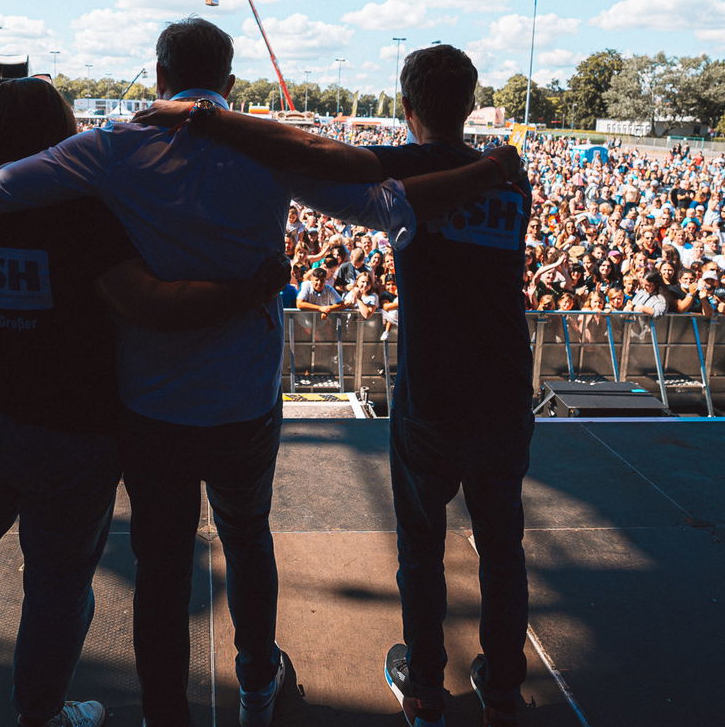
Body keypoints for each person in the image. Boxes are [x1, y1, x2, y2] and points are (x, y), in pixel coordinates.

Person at [0, 19, 515, 727]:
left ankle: (166, 711)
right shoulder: (268, 151)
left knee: (161, 569)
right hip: (245, 398)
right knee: (248, 537)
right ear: (229, 83)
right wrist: (495, 170)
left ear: (159, 79)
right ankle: (257, 683)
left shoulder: (110, 148)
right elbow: (389, 207)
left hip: (149, 401)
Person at [0, 78, 290, 727]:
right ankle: (40, 713)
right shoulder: (82, 214)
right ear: (65, 131)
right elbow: (145, 303)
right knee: (56, 583)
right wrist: (249, 291)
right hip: (68, 430)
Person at [134, 44, 534, 727]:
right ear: (470, 103)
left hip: (433, 387)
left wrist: (203, 117)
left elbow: (321, 157)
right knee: (502, 545)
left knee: (421, 543)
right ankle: (502, 688)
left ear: (406, 107)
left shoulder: (412, 164)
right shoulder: (510, 174)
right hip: (503, 385)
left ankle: (426, 687)